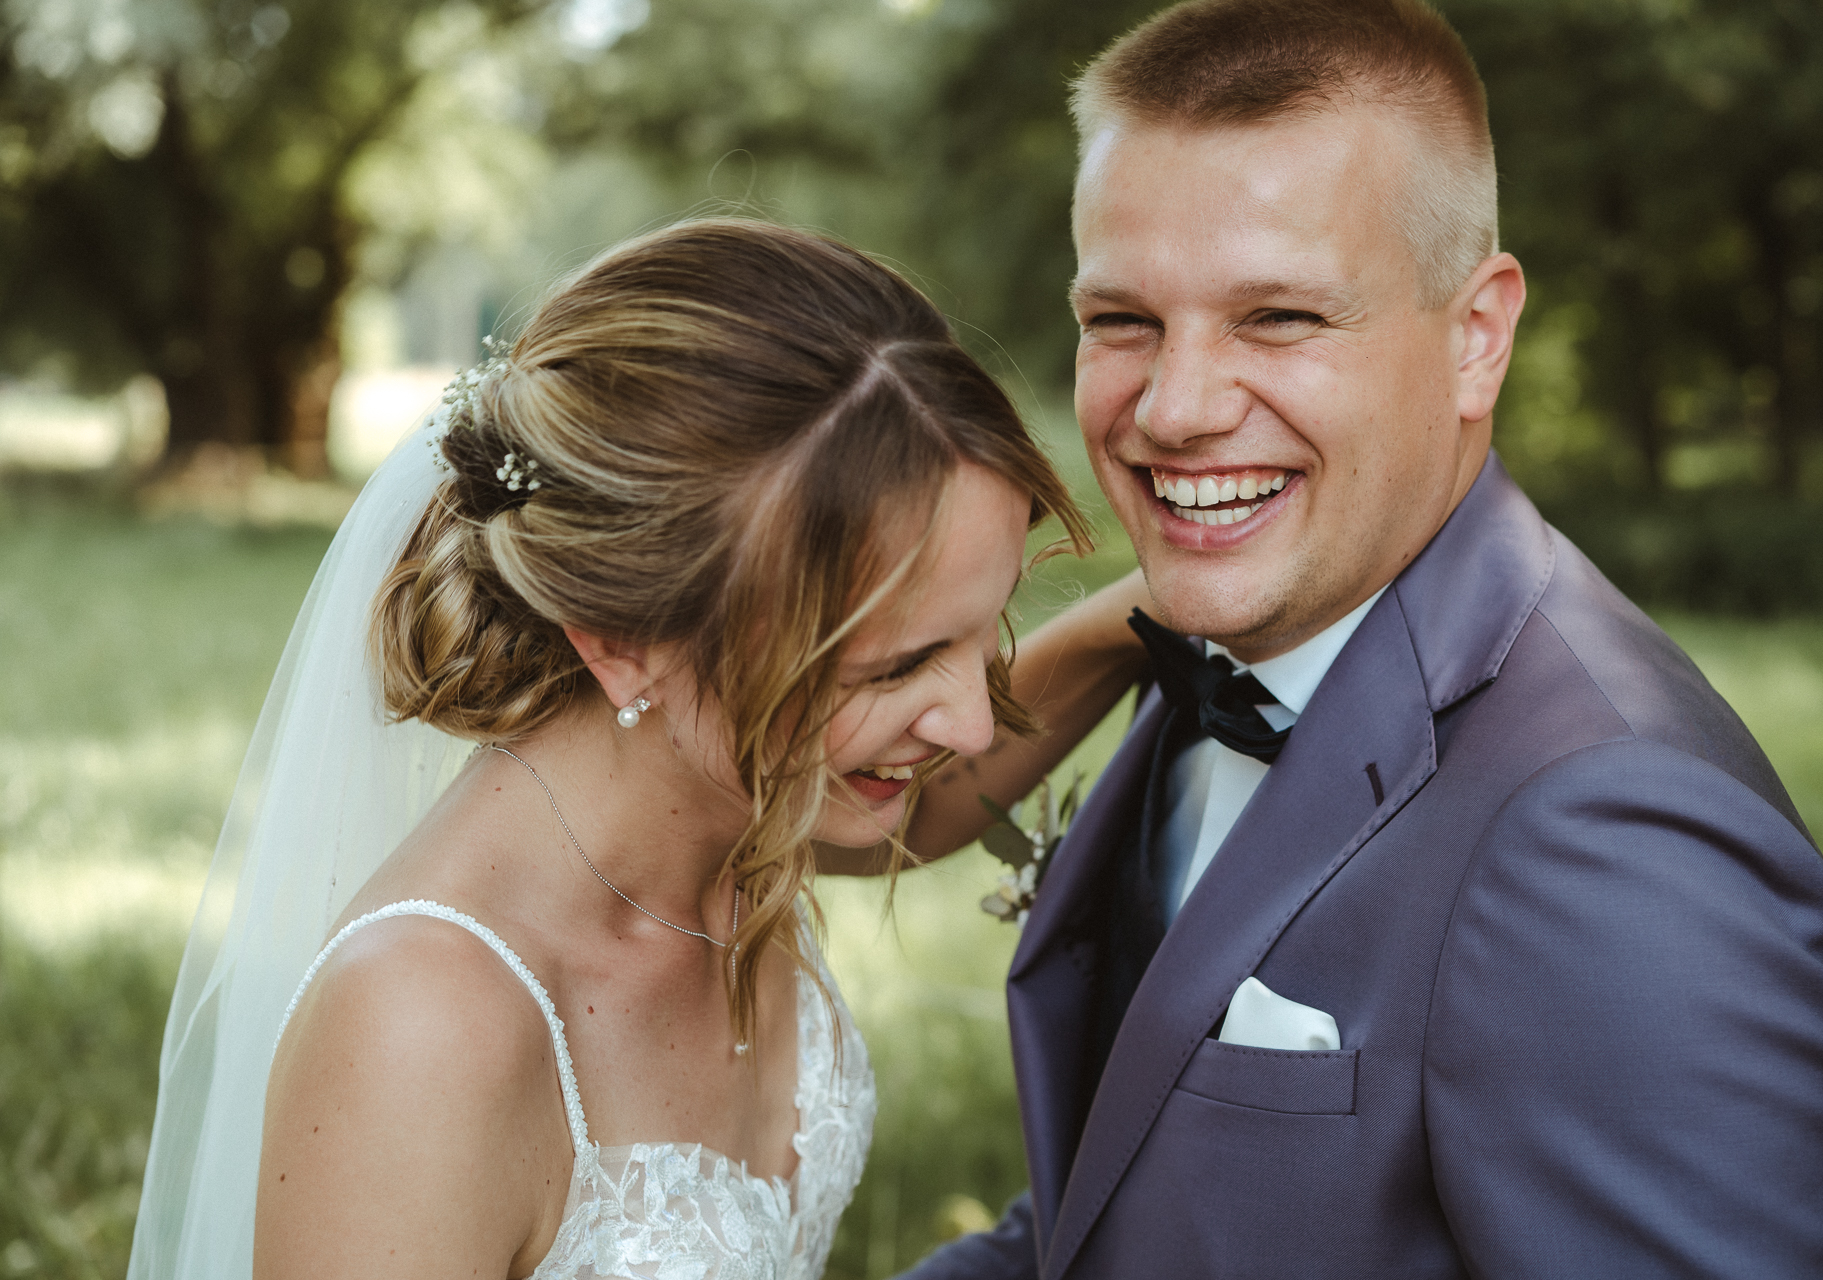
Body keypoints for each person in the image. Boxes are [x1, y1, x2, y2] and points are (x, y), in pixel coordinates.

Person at [890, 1, 1823, 1275]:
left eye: (1283, 318)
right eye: (1121, 321)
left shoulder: (1612, 834)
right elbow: (1124, 1209)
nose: (1175, 407)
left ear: (1477, 337)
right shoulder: (1230, 646)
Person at [127, 218, 1100, 1280]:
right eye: (891, 668)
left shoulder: (743, 803)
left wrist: (1145, 624)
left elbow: (924, 809)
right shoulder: (423, 1029)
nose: (969, 721)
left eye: (985, 627)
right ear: (624, 643)